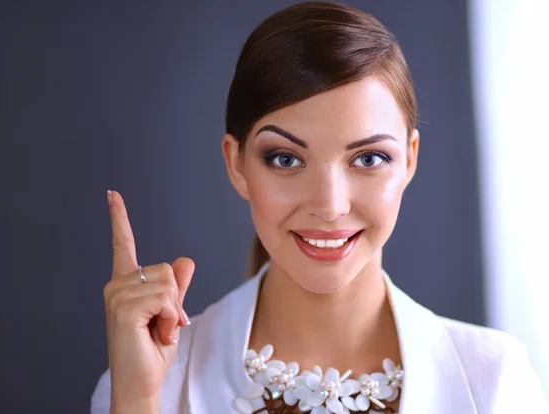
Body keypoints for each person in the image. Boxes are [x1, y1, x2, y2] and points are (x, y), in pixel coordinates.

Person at [90, 2, 548, 413]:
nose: (329, 206)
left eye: (369, 159)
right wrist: (137, 401)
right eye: (286, 159)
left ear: (409, 160)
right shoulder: (152, 381)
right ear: (237, 165)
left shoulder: (493, 380)